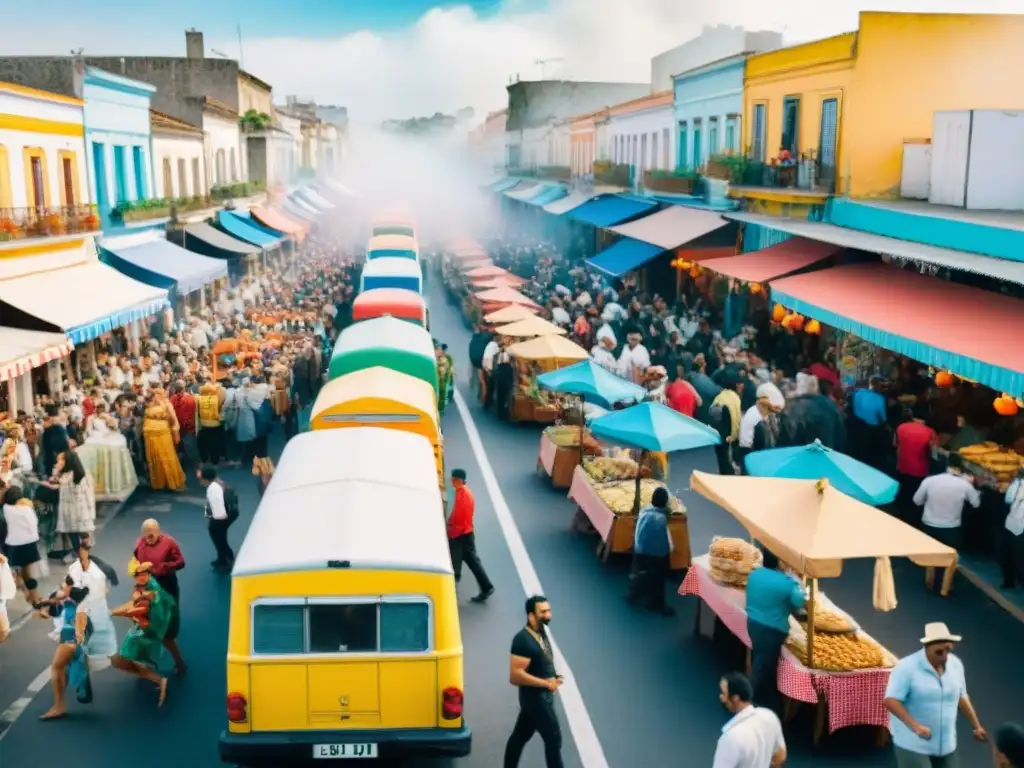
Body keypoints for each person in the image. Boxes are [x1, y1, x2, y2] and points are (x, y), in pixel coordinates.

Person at [885, 622, 986, 767]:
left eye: (947, 650)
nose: (944, 656)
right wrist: (916, 726)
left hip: (945, 742)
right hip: (912, 741)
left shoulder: (955, 665)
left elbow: (962, 696)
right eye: (939, 652)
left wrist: (977, 726)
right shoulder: (906, 667)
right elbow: (891, 701)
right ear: (927, 647)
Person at [503, 595, 564, 768]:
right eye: (543, 611)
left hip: (538, 699)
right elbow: (515, 675)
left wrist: (553, 676)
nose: (548, 615)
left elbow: (540, 660)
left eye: (549, 610)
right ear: (531, 616)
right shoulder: (522, 641)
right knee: (553, 739)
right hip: (537, 700)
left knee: (520, 736)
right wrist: (546, 683)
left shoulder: (540, 631)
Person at [109, 561, 174, 707]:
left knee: (121, 660)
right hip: (145, 630)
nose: (137, 578)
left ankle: (159, 680)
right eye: (137, 575)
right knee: (125, 660)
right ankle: (157, 678)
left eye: (141, 575)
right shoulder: (145, 588)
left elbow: (133, 610)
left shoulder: (149, 595)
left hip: (145, 633)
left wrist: (113, 612)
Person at [745, 549, 804, 704]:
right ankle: (751, 701)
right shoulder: (786, 583)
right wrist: (797, 582)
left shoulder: (754, 574)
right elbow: (799, 602)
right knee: (763, 666)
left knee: (758, 657)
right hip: (772, 630)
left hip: (752, 623)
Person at [133, 519, 187, 674]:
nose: (149, 535)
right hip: (148, 591)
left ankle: (180, 663)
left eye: (152, 531)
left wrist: (165, 567)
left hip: (167, 590)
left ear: (159, 531)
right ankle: (146, 663)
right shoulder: (139, 544)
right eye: (146, 532)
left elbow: (181, 562)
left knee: (166, 633)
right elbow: (135, 561)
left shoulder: (169, 543)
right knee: (143, 627)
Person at [38, 583, 94, 720]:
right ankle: (59, 704)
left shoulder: (69, 604)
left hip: (69, 639)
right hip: (76, 641)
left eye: (64, 588)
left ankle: (59, 706)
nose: (61, 590)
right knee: (65, 670)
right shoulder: (74, 605)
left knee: (56, 668)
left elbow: (54, 601)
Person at [713, 672, 786, 768]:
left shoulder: (729, 739)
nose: (721, 697)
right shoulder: (770, 716)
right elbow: (780, 757)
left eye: (723, 693)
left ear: (735, 698)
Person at [912, 454, 980, 553]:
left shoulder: (929, 481)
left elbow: (916, 501)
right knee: (947, 559)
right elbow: (976, 504)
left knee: (926, 555)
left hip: (928, 524)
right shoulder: (965, 485)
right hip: (951, 529)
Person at [447, 468, 494, 603]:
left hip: (461, 535)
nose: (451, 481)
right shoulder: (463, 492)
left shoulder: (463, 496)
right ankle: (486, 587)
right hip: (465, 534)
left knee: (456, 562)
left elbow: (460, 519)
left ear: (459, 480)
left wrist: (451, 534)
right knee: (472, 562)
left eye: (453, 479)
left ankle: (452, 592)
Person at [627, 485, 674, 616]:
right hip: (655, 556)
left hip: (639, 551)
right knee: (660, 575)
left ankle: (633, 593)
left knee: (638, 570)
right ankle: (657, 604)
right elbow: (665, 543)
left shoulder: (644, 511)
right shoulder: (662, 518)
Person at [142, 387, 186, 491]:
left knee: (167, 456)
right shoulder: (149, 405)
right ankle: (159, 483)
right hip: (150, 435)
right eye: (155, 394)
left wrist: (175, 431)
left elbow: (174, 419)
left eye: (159, 394)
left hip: (162, 434)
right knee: (154, 458)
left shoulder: (167, 404)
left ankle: (172, 482)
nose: (156, 397)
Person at [199, 464, 235, 570]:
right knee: (221, 537)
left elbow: (217, 506)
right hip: (229, 513)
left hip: (221, 517)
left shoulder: (213, 488)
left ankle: (225, 561)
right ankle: (225, 556)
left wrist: (215, 521)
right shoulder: (217, 483)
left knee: (218, 537)